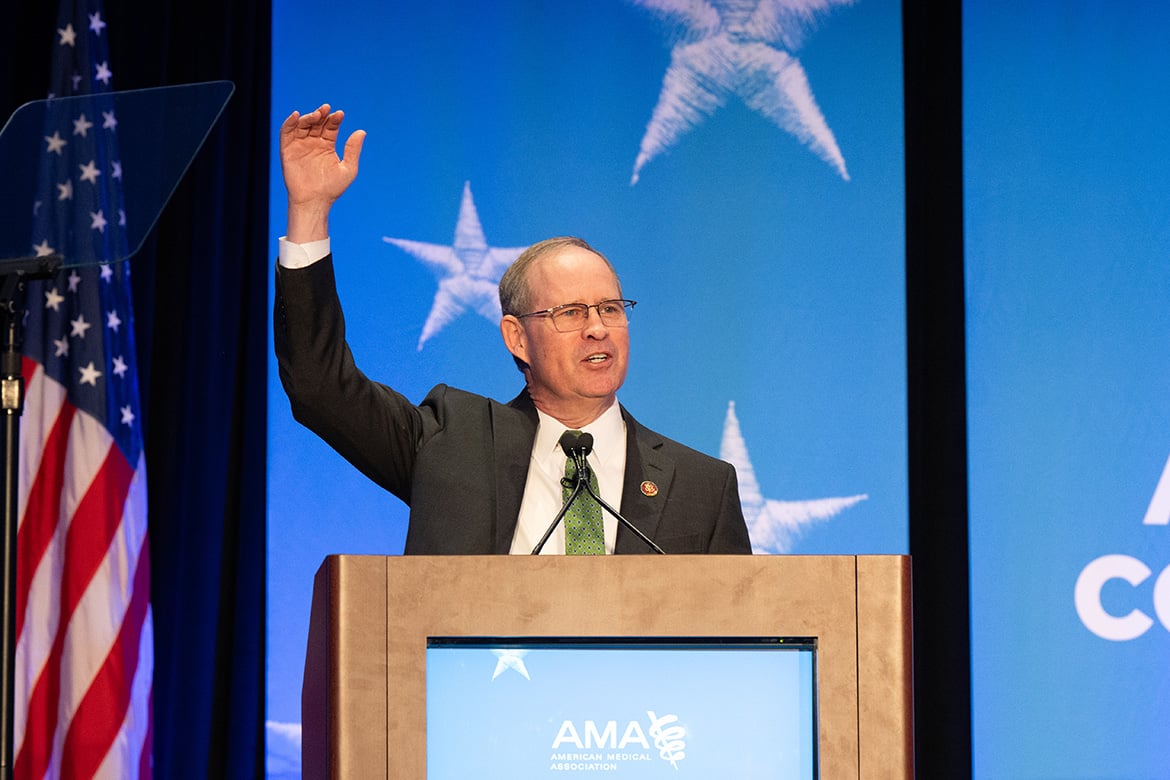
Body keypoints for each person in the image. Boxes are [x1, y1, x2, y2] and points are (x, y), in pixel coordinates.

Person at [274, 104, 750, 555]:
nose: (598, 328)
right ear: (516, 337)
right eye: (571, 313)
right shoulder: (450, 444)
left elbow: (742, 635)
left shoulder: (702, 487)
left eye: (610, 308)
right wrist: (310, 212)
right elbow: (319, 388)